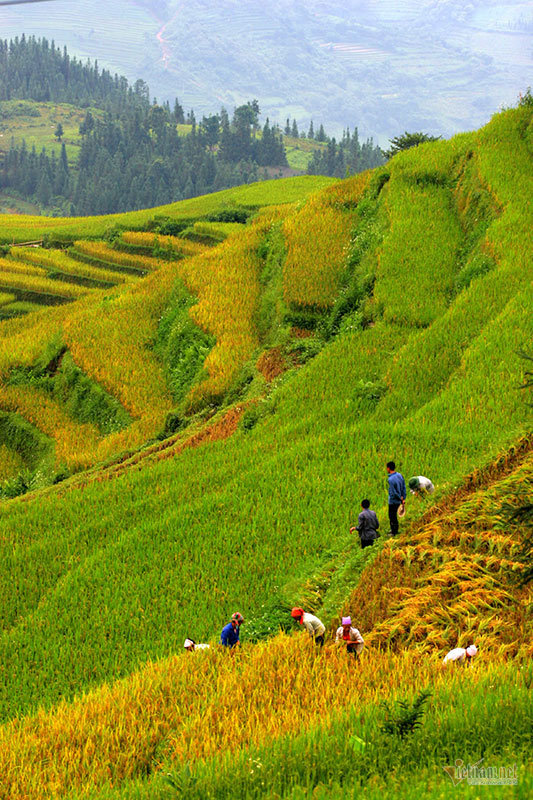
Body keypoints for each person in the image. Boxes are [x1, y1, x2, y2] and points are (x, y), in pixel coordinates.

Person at [386, 461, 406, 537]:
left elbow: (393, 492)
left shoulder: (390, 479)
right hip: (399, 499)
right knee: (394, 515)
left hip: (393, 501)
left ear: (388, 468)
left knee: (392, 516)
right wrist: (403, 498)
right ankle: (395, 530)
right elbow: (404, 487)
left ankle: (394, 532)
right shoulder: (400, 475)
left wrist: (399, 498)